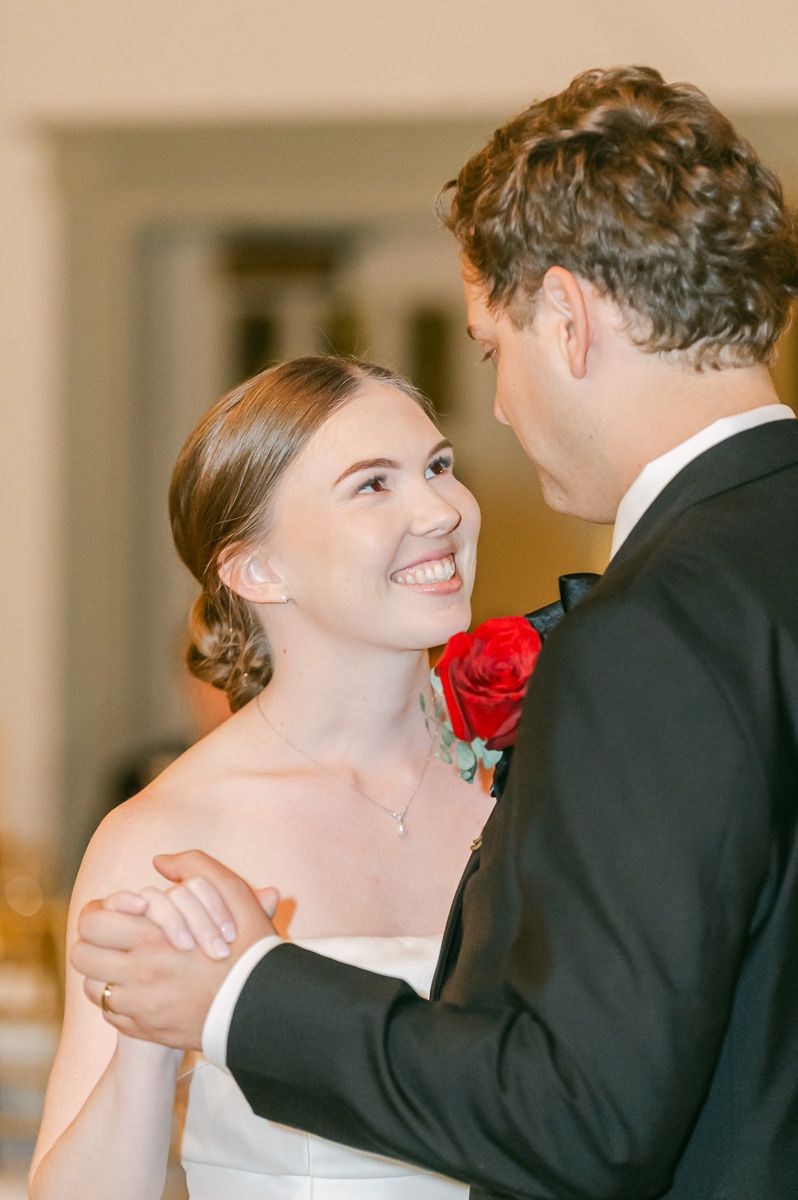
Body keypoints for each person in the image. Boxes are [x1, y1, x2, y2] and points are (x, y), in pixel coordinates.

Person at [74, 65, 798, 1198]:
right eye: (372, 482)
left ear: (567, 318)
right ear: (251, 568)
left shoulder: (648, 634)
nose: (495, 417)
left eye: (490, 349)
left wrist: (240, 996)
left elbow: (588, 1113)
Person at [30, 356, 491, 1199]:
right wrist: (149, 1040)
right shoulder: (170, 835)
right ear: (256, 571)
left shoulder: (541, 774)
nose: (442, 510)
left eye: (438, 466)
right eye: (373, 485)